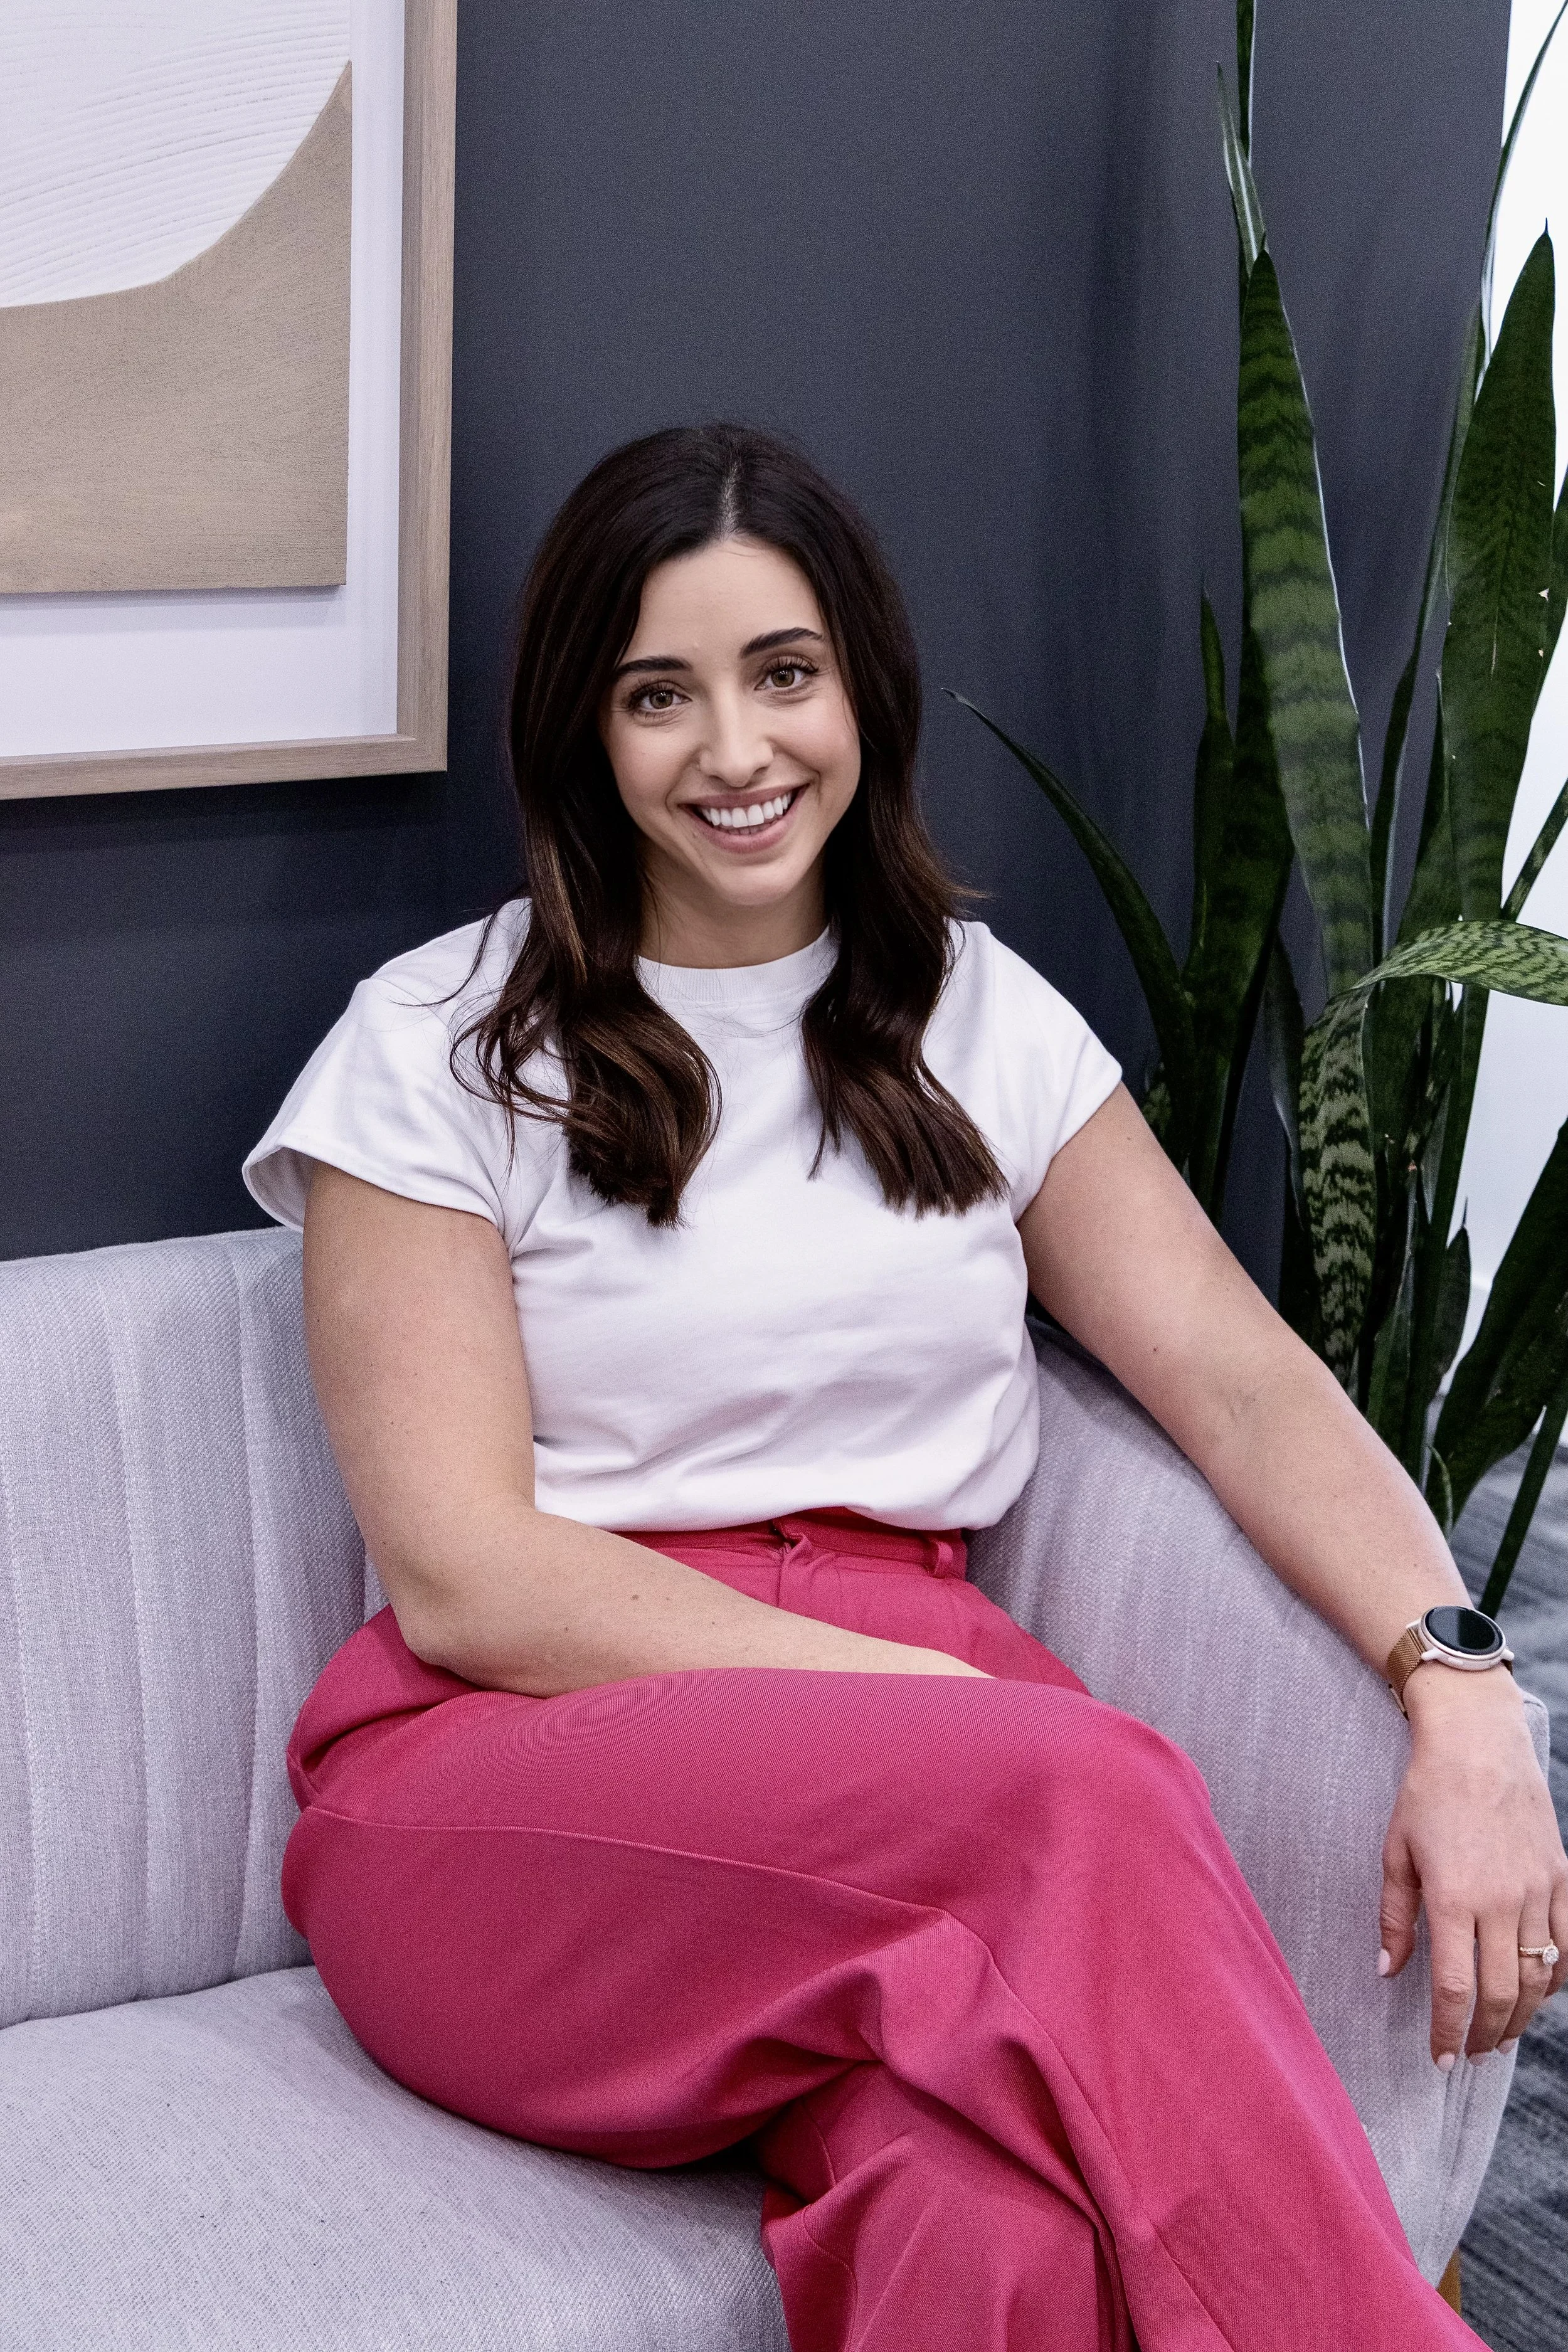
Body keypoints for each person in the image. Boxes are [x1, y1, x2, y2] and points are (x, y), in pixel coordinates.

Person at [245, 423, 1565, 2352]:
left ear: (860, 682)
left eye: (783, 673)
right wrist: (914, 1699)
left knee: (989, 2226)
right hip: (512, 1759)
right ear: (579, 735)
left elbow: (1235, 1379)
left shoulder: (975, 1012)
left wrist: (1458, 1686)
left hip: (930, 1757)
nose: (735, 749)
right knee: (1072, 1786)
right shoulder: (437, 1047)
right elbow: (465, 1573)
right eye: (656, 695)